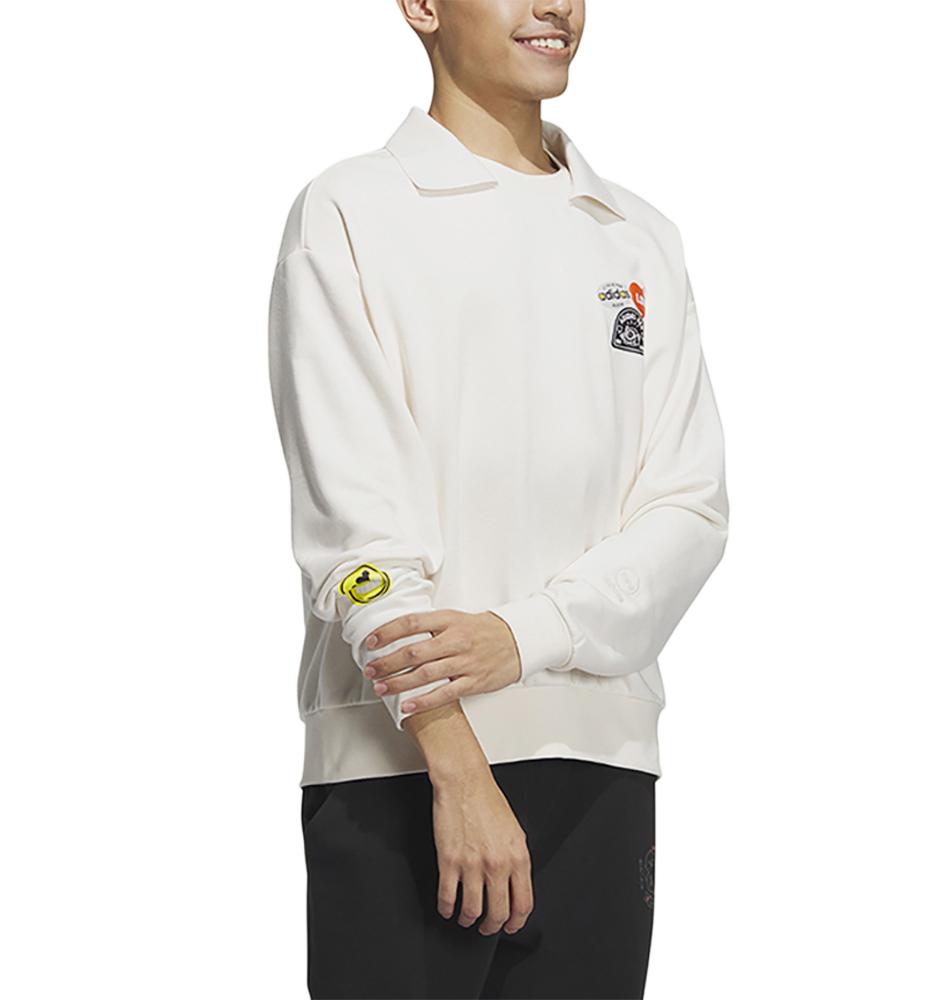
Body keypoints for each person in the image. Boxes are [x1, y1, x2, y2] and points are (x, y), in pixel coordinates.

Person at [267, 1, 729, 997]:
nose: (555, 6)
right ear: (422, 6)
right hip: (399, 766)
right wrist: (457, 762)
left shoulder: (637, 237)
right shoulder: (352, 210)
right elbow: (356, 534)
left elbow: (688, 508)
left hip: (602, 756)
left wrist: (526, 635)